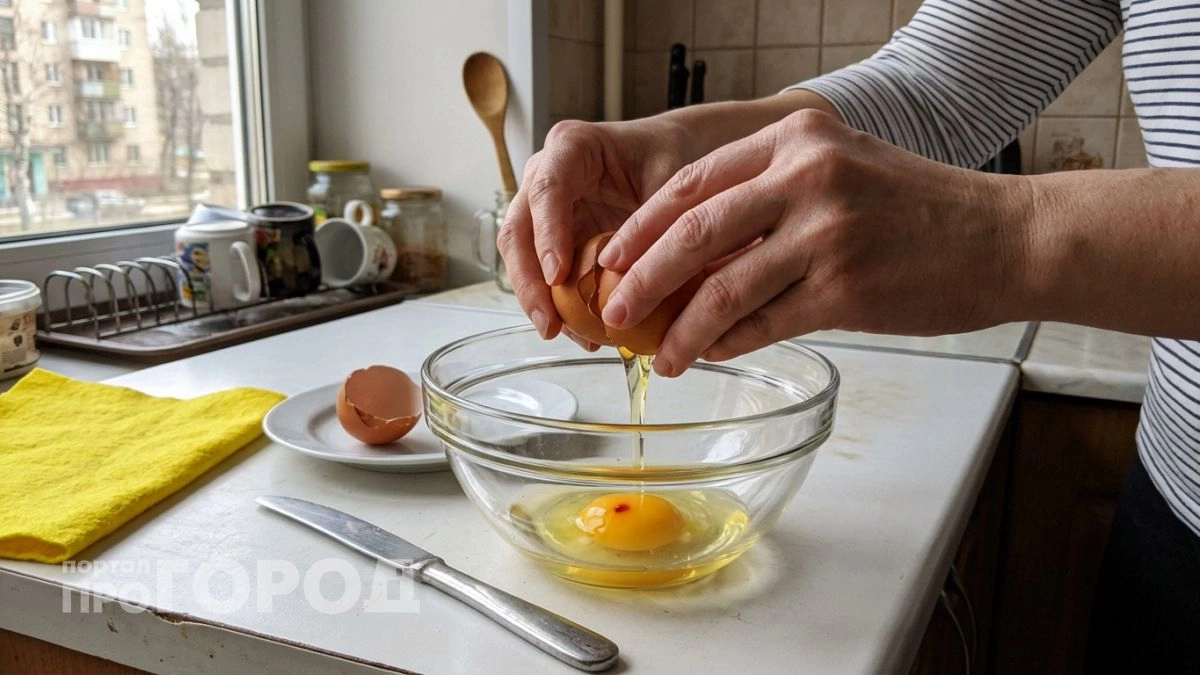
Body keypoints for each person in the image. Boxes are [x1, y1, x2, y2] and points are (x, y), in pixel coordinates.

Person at [499, 0, 1200, 669]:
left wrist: (1008, 234)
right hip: (1171, 505)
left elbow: (987, 204)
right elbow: (933, 93)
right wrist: (692, 146)